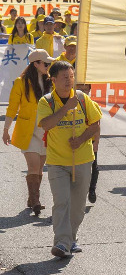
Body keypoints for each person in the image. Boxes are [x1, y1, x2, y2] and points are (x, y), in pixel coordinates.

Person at [37, 60, 102, 258]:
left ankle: (71, 239)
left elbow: (95, 123)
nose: (69, 81)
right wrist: (66, 108)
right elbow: (46, 124)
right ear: (54, 80)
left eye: (72, 77)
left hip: (82, 160)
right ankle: (62, 243)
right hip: (57, 162)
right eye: (65, 77)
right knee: (61, 202)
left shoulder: (82, 98)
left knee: (77, 205)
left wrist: (82, 139)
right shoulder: (46, 101)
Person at [3, 49, 53, 215]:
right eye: (45, 63)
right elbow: (12, 108)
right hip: (28, 131)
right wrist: (6, 130)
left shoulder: (50, 82)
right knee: (33, 166)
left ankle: (32, 199)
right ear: (36, 64)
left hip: (45, 132)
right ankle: (36, 201)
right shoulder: (21, 82)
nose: (48, 66)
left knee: (39, 169)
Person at [76, 83, 101, 204]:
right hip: (75, 143)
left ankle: (92, 190)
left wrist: (96, 143)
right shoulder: (72, 105)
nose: (84, 92)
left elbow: (97, 126)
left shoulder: (93, 105)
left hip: (90, 142)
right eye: (80, 89)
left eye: (86, 90)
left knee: (94, 167)